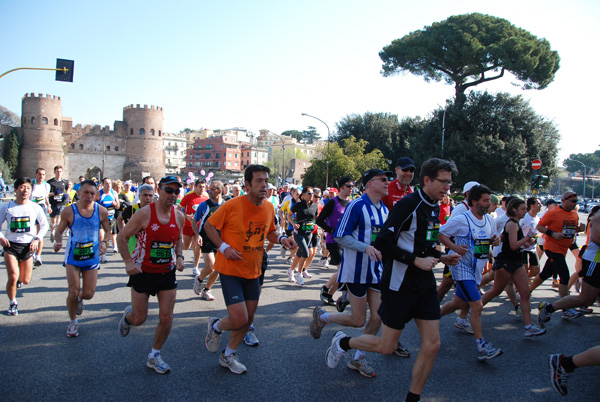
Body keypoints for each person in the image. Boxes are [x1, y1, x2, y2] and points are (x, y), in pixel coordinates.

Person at [323, 159, 460, 402]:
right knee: (386, 346)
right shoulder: (408, 204)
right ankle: (344, 342)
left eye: (450, 182)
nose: (448, 187)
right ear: (427, 180)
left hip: (424, 285)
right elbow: (384, 242)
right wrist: (415, 261)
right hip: (400, 283)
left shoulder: (434, 206)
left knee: (432, 345)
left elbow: (423, 244)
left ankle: (412, 398)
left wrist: (441, 255)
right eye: (443, 181)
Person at [203, 165, 296, 374]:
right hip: (230, 269)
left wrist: (282, 239)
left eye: (266, 181)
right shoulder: (232, 205)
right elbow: (209, 226)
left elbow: (270, 231)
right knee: (239, 319)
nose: (264, 185)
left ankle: (228, 355)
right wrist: (224, 247)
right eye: (259, 181)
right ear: (247, 185)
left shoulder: (269, 207)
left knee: (249, 318)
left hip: (253, 270)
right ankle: (216, 326)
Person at [310, 168, 391, 378]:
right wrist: (366, 248)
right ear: (370, 184)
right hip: (356, 271)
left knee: (377, 318)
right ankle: (324, 317)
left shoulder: (383, 209)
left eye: (388, 179)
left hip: (377, 271)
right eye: (383, 179)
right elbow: (339, 236)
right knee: (357, 320)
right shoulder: (357, 205)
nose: (387, 182)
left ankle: (357, 359)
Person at [116, 176, 185, 374]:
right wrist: (128, 262)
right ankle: (128, 318)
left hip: (166, 273)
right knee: (139, 318)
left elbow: (178, 238)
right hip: (142, 271)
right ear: (159, 190)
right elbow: (122, 236)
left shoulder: (178, 215)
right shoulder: (145, 214)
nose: (173, 195)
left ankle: (154, 355)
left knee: (167, 318)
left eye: (176, 192)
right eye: (168, 190)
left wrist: (179, 256)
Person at [439, 184, 503, 360]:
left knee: (458, 303)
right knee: (477, 305)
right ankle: (482, 347)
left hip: (477, 268)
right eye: (485, 200)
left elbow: (491, 239)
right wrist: (453, 247)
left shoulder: (490, 220)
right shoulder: (462, 219)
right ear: (474, 201)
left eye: (490, 200)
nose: (489, 203)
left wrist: (494, 241)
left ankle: (431, 319)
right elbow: (440, 233)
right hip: (461, 267)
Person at [480, 198, 546, 337]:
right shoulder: (511, 224)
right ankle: (474, 309)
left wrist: (526, 242)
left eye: (526, 208)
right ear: (514, 209)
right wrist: (528, 237)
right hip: (506, 262)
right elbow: (513, 245)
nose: (525, 211)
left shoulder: (515, 223)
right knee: (496, 291)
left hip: (516, 261)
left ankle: (529, 326)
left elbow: (513, 242)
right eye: (523, 209)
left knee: (525, 293)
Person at [53, 179, 111, 337]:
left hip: (92, 257)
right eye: (86, 192)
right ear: (78, 192)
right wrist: (58, 241)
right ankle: (72, 322)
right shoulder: (69, 211)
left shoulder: (101, 211)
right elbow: (58, 231)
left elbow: (108, 231)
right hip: (73, 256)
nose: (89, 196)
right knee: (72, 291)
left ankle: (79, 299)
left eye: (92, 193)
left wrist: (105, 243)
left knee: (88, 293)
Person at [537, 205, 600, 327]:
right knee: (586, 299)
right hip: (595, 261)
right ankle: (549, 308)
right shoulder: (598, 216)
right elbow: (596, 238)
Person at [530, 191, 585, 320]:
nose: (576, 204)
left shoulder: (574, 214)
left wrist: (579, 229)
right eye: (573, 201)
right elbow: (539, 226)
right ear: (564, 200)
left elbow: (571, 229)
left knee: (545, 274)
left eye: (576, 201)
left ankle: (526, 291)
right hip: (552, 248)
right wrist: (552, 233)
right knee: (564, 275)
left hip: (563, 249)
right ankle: (566, 309)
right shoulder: (553, 213)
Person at [0, 178, 49, 315]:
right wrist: (1, 237)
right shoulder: (7, 207)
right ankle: (12, 303)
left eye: (28, 187)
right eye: (22, 187)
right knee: (13, 276)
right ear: (15, 190)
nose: (25, 190)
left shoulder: (35, 207)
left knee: (25, 280)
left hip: (28, 246)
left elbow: (44, 225)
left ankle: (19, 282)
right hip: (11, 245)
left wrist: (37, 239)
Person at [316, 177, 353, 305]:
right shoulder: (333, 202)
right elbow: (319, 220)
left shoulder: (352, 203)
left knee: (344, 270)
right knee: (344, 270)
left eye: (352, 186)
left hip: (347, 241)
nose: (351, 189)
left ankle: (327, 293)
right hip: (334, 241)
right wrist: (331, 231)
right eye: (348, 186)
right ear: (341, 187)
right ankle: (329, 291)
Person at [192, 180, 224, 301]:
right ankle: (199, 279)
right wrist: (197, 235)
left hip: (220, 240)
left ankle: (206, 290)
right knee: (211, 267)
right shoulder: (204, 205)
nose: (208, 191)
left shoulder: (225, 205)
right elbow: (194, 221)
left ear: (219, 191)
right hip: (206, 239)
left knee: (218, 269)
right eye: (209, 189)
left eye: (212, 189)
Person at [288, 186, 318, 285]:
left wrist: (317, 224)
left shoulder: (315, 206)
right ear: (304, 195)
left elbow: (316, 218)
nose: (311, 195)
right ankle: (299, 274)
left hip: (309, 233)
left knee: (300, 254)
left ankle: (291, 270)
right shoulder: (298, 205)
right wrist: (293, 224)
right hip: (299, 233)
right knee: (305, 253)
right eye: (309, 193)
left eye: (312, 193)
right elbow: (289, 215)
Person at [179, 179, 208, 276]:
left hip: (199, 227)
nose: (202, 189)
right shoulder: (188, 197)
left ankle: (195, 267)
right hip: (188, 225)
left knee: (198, 246)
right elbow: (178, 208)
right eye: (200, 186)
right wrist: (186, 216)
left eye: (204, 187)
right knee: (186, 247)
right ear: (195, 187)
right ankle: (177, 251)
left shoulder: (206, 197)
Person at [117, 184, 155, 254]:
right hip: (134, 249)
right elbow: (119, 219)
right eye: (145, 195)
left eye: (150, 195)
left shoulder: (157, 210)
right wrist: (122, 234)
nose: (148, 198)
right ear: (139, 196)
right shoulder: (132, 209)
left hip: (152, 248)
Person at [95, 178, 120, 261]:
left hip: (110, 218)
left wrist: (115, 204)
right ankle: (100, 254)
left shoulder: (114, 193)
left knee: (107, 238)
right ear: (103, 185)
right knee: (101, 237)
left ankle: (103, 253)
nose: (108, 185)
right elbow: (92, 204)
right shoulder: (99, 194)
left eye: (109, 183)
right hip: (100, 219)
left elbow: (118, 206)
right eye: (106, 183)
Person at [30, 168, 50, 267]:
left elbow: (46, 197)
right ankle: (32, 253)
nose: (41, 176)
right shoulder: (31, 184)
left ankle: (38, 256)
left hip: (41, 208)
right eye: (39, 174)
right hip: (30, 207)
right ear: (36, 174)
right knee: (31, 232)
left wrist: (48, 205)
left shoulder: (46, 185)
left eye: (43, 174)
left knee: (40, 232)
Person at [520, 197, 542, 278]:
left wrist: (534, 239)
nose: (540, 206)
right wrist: (523, 240)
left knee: (536, 271)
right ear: (532, 206)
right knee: (524, 270)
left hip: (532, 248)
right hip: (523, 248)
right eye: (538, 204)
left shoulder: (537, 219)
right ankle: (519, 286)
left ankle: (523, 280)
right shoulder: (524, 218)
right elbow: (517, 230)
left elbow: (537, 233)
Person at [47, 165, 69, 242]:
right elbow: (46, 194)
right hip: (53, 204)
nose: (59, 173)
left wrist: (67, 195)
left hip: (61, 203)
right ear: (54, 172)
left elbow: (67, 190)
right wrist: (54, 193)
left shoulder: (64, 182)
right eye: (57, 171)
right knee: (52, 221)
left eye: (60, 171)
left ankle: (57, 234)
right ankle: (52, 232)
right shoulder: (50, 182)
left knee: (58, 220)